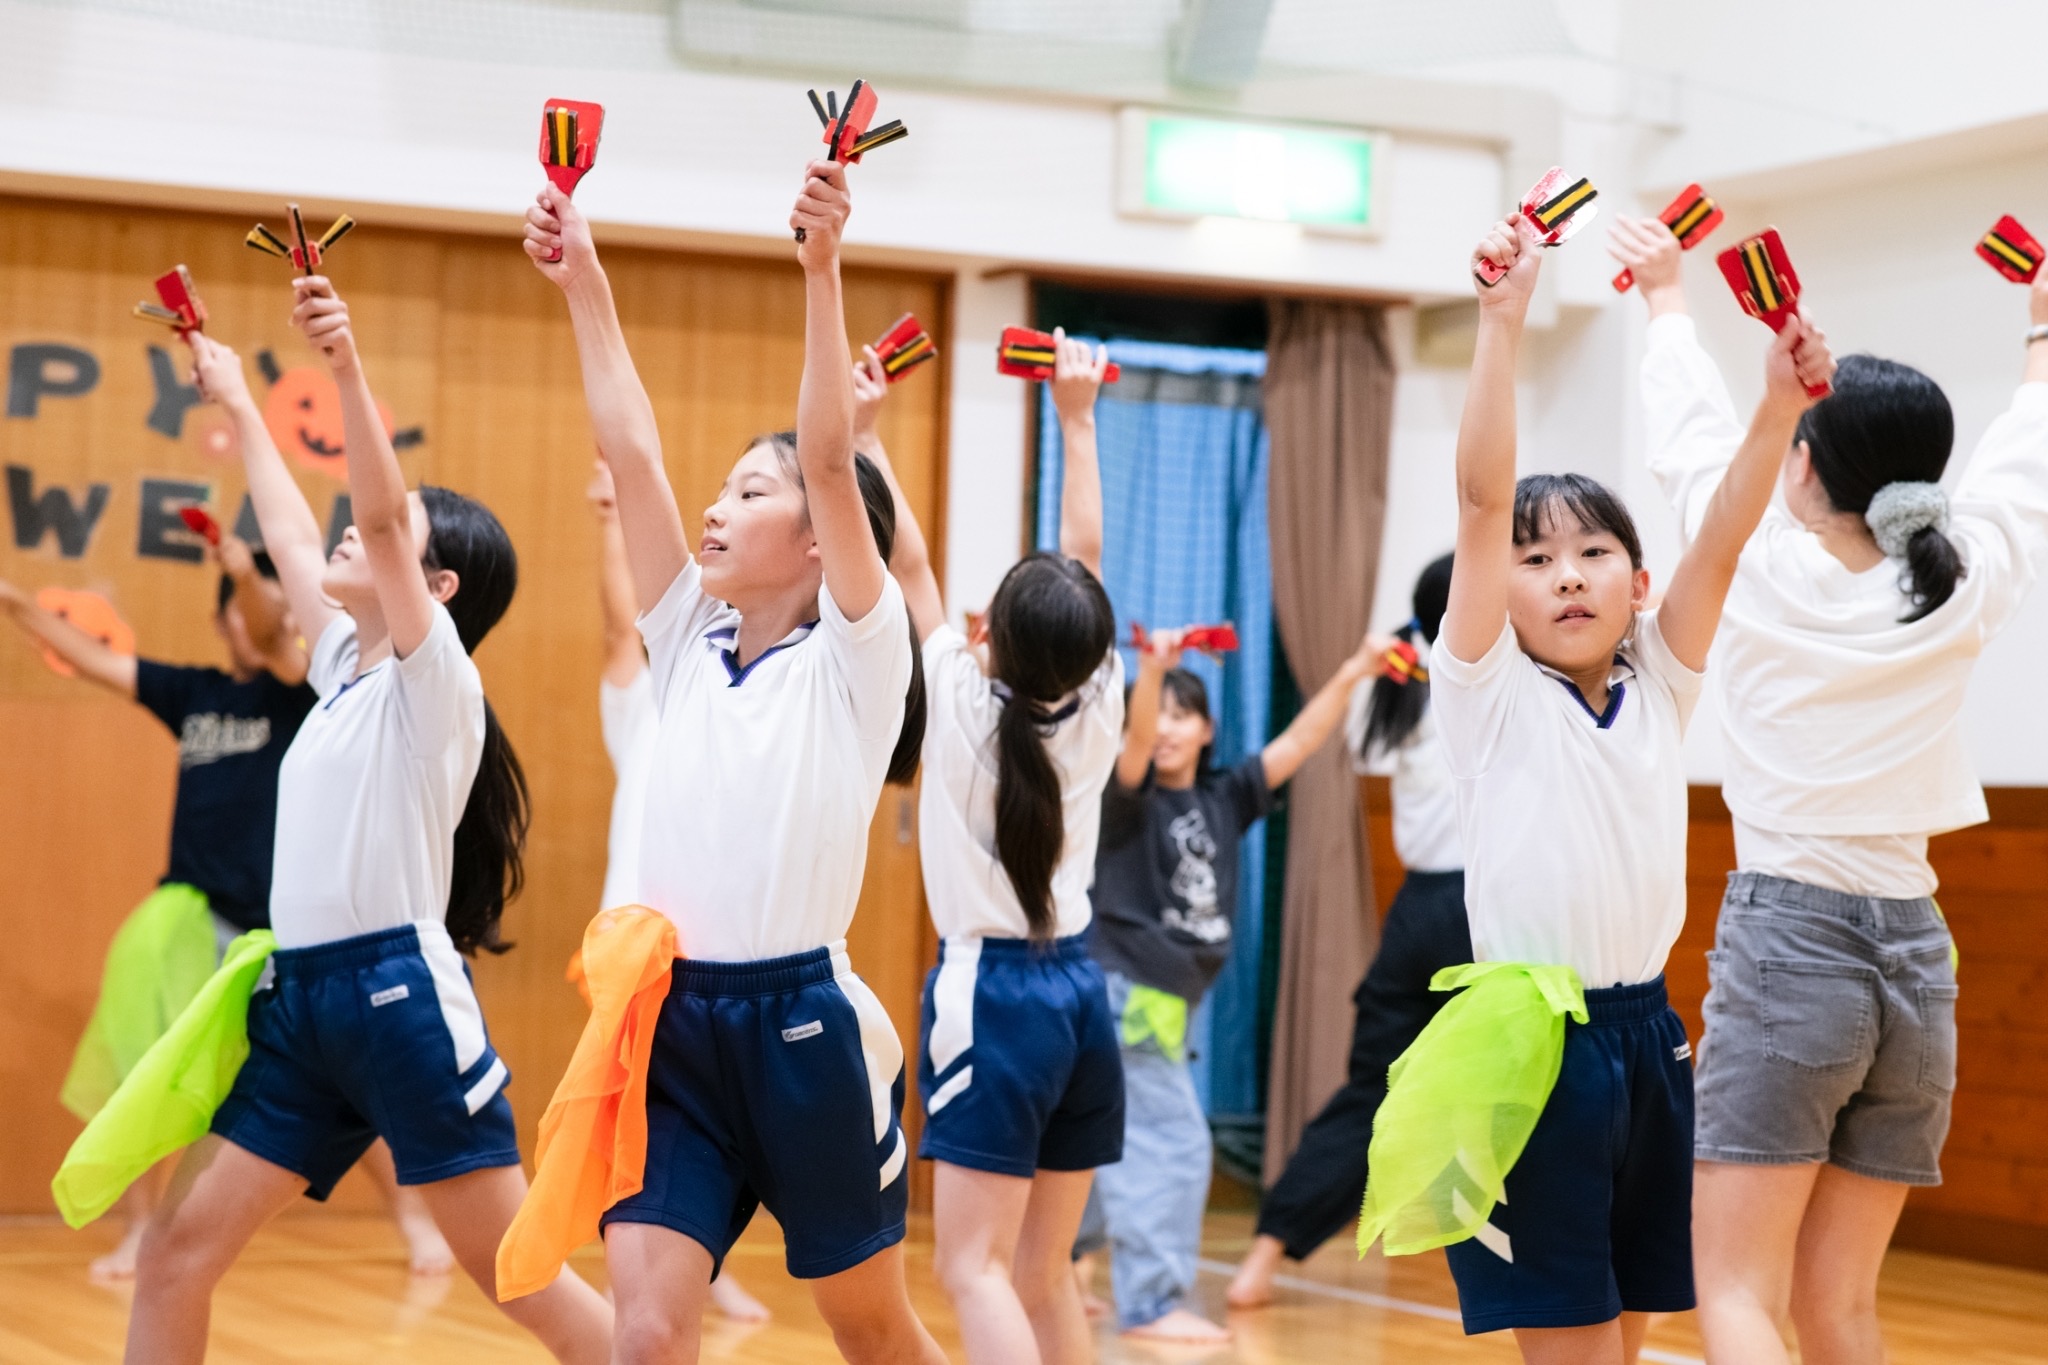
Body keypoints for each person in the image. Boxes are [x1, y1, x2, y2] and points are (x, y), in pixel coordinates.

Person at [120, 280, 612, 1363]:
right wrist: (242, 399)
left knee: (517, 1280)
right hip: (301, 1003)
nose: (351, 530)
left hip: (398, 1004)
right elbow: (294, 529)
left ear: (431, 586)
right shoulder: (342, 666)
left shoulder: (438, 686)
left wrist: (344, 365)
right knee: (174, 1255)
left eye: (386, 533)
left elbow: (375, 515)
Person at [1368, 211, 1830, 1365]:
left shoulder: (1658, 679)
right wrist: (1498, 320)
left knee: (1622, 1336)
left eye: (1590, 553)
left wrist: (1776, 409)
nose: (1564, 574)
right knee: (1570, 1348)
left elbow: (1722, 538)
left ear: (1633, 580)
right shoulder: (1485, 691)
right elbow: (1481, 502)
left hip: (1648, 1039)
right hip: (1532, 1049)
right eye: (1535, 559)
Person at [520, 160, 942, 1364]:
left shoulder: (858, 661)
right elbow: (633, 450)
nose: (712, 506)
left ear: (817, 536)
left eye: (749, 490)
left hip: (804, 1032)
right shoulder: (682, 645)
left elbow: (824, 454)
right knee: (647, 1328)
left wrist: (820, 268)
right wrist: (583, 282)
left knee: (867, 1323)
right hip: (668, 1025)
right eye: (723, 486)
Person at [1612, 215, 2048, 1365]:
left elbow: (1689, 443)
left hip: (1790, 945)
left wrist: (1664, 297)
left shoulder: (1757, 564)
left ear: (1799, 462)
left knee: (1737, 1301)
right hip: (1917, 961)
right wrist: (2041, 318)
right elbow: (2029, 446)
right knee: (1840, 1310)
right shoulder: (1966, 576)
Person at [2, 549, 453, 1282]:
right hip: (192, 919)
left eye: (265, 607)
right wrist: (14, 598)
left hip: (278, 928)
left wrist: (249, 571)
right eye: (240, 607)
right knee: (146, 1067)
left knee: (330, 1075)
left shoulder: (301, 687)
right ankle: (141, 1228)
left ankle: (411, 1217)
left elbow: (275, 627)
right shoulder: (194, 693)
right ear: (218, 622)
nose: (255, 620)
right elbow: (87, 658)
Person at [851, 330, 1123, 1365]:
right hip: (1077, 994)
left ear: (987, 638)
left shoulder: (957, 700)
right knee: (1039, 1271)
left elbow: (905, 559)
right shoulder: (1102, 704)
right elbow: (1086, 560)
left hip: (991, 997)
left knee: (970, 1269)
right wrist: (1077, 418)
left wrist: (869, 434)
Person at [1078, 617, 1392, 1343]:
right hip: (1130, 989)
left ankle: (1062, 1257)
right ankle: (1153, 1301)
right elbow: (1131, 748)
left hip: (1167, 999)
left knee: (1114, 1130)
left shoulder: (1225, 795)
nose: (1164, 729)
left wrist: (1355, 669)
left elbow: (1300, 742)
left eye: (1182, 715)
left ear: (1209, 728)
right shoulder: (1127, 799)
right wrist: (1152, 674)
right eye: (1153, 716)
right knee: (1176, 1142)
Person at [1226, 551, 1471, 1309]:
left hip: (1416, 915)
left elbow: (1365, 749)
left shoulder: (1407, 687)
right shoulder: (1484, 681)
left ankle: (1261, 1258)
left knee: (1371, 1090)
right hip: (1482, 915)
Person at [585, 457, 771, 1325]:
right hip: (635, 957)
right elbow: (619, 625)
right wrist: (607, 521)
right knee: (639, 1137)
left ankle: (700, 1265)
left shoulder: (755, 705)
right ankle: (672, 1272)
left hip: (725, 967)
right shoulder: (645, 704)